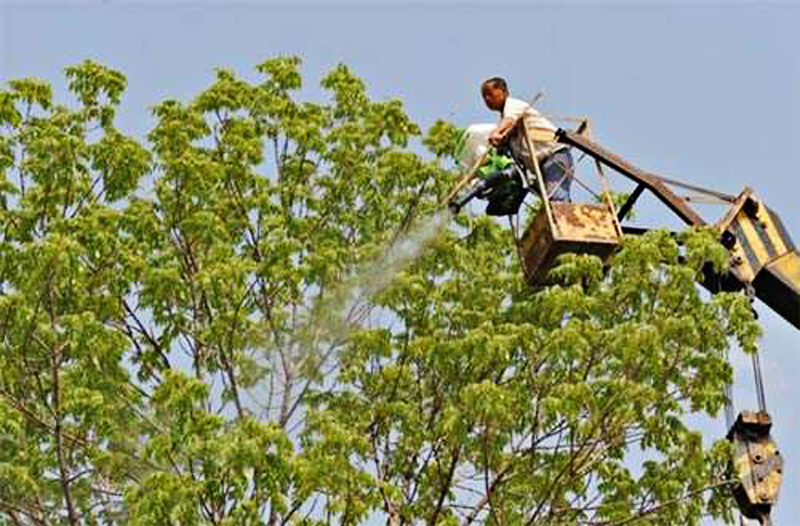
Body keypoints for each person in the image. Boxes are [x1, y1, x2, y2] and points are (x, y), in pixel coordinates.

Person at [481, 77, 573, 203]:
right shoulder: (507, 120)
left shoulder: (512, 105)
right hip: (540, 166)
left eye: (489, 94)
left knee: (556, 202)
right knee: (551, 204)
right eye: (484, 96)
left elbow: (509, 120)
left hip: (554, 157)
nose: (487, 99)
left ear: (503, 91)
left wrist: (495, 132)